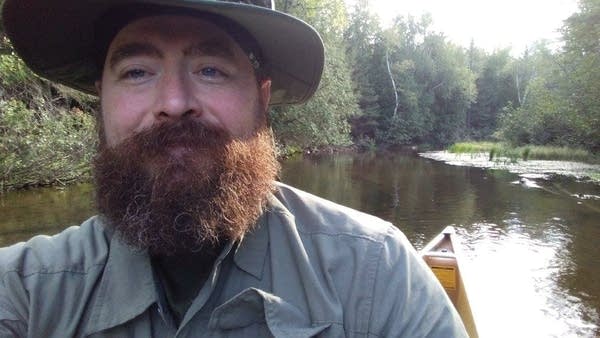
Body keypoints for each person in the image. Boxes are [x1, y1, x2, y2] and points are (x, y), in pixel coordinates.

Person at [0, 0, 468, 337]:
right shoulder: (22, 292)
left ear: (261, 99)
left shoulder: (375, 274)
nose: (174, 103)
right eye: (138, 71)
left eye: (210, 70)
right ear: (101, 96)